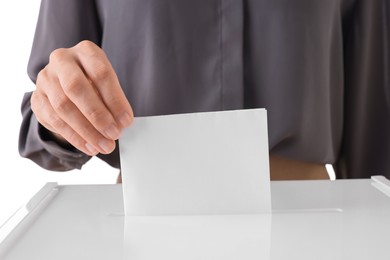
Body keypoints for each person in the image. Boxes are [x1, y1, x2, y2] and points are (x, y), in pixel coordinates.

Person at [19, 0, 390, 180]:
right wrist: (62, 115)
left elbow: (374, 119)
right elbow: (41, 120)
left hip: (313, 226)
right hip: (143, 227)